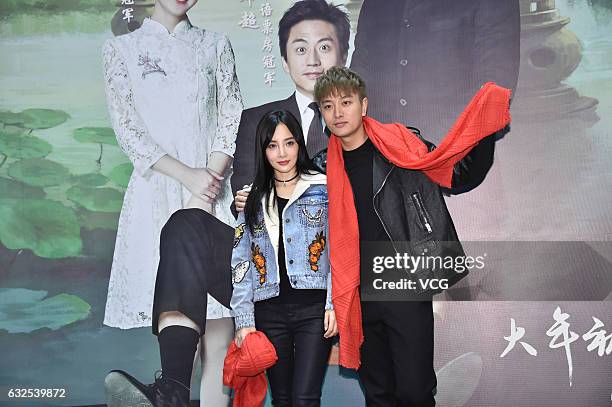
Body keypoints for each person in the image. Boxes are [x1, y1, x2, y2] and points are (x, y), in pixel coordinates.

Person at [315, 67, 511, 406]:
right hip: (355, 294)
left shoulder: (401, 145)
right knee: (378, 396)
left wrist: (485, 128)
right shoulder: (319, 167)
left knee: (415, 392)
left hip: (404, 284)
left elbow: (459, 172)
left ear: (363, 106)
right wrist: (248, 198)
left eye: (345, 102)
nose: (337, 113)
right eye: (328, 106)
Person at [101, 0, 242, 405]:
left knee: (219, 341)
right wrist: (188, 178)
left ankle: (179, 397)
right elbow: (128, 130)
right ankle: (173, 394)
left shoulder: (216, 44)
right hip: (158, 191)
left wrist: (208, 180)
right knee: (179, 324)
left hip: (214, 192)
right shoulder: (121, 50)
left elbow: (230, 116)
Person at [230, 109, 337, 407]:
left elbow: (339, 250)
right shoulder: (251, 199)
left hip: (314, 311)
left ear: (299, 145)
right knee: (283, 399)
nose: (282, 153)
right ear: (263, 150)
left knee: (305, 398)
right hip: (269, 312)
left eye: (289, 143)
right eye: (272, 145)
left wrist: (334, 305)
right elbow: (241, 263)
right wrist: (244, 320)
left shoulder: (323, 188)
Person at [232, 0, 350, 209]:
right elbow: (244, 201)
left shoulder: (362, 121)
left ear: (342, 57)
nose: (313, 60)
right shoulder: (255, 120)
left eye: (324, 47)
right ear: (285, 61)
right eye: (301, 49)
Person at [350, 0, 519, 144]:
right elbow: (360, 73)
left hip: (455, 158)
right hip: (382, 158)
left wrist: (436, 144)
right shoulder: (375, 4)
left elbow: (495, 83)